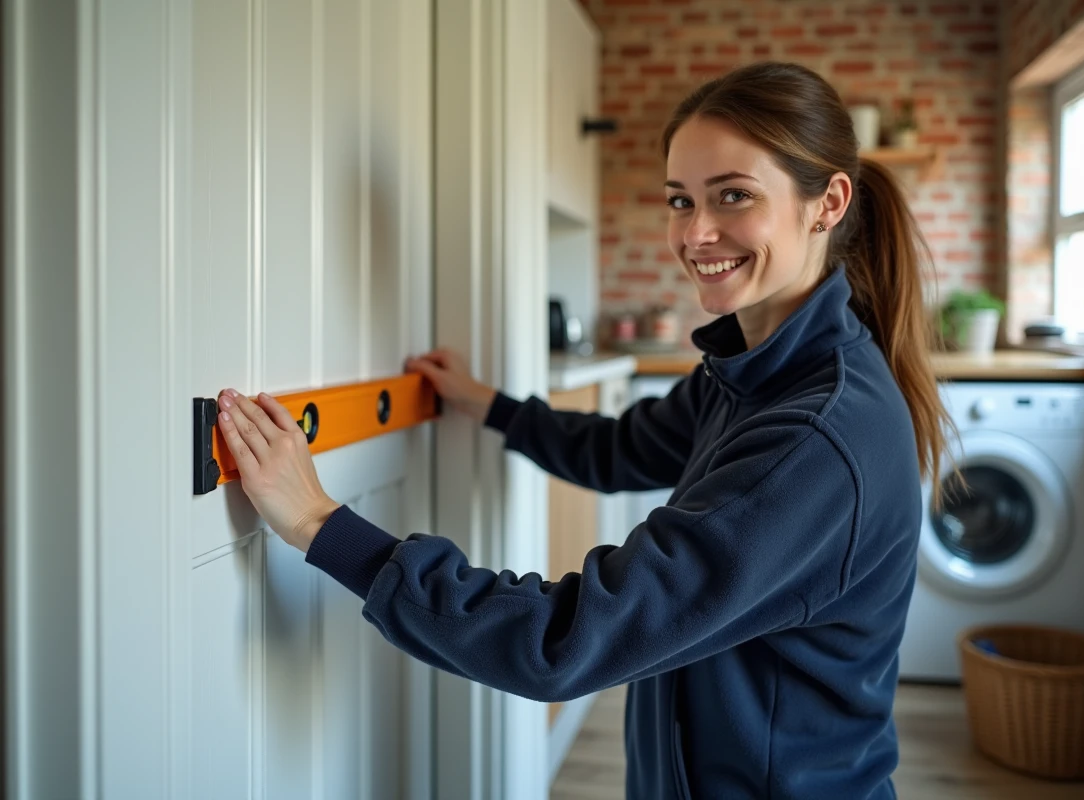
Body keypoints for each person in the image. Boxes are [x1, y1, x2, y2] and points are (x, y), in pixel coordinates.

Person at [214, 61, 955, 800]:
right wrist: (490, 405)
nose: (697, 232)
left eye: (734, 195)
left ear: (827, 203)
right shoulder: (754, 368)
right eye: (679, 199)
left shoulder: (815, 439)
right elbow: (618, 451)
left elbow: (563, 641)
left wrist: (318, 522)